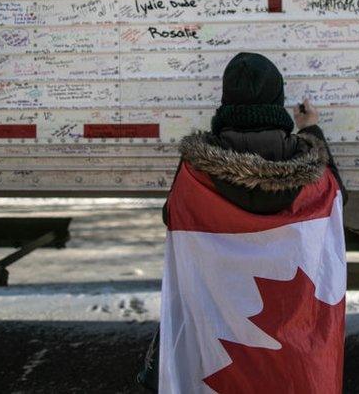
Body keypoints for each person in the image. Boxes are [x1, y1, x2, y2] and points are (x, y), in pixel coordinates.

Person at [138, 52, 347, 393]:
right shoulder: (312, 172)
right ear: (277, 102)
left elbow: (172, 216)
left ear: (226, 103)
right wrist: (313, 132)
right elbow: (335, 200)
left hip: (218, 351)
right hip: (291, 359)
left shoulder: (195, 170)